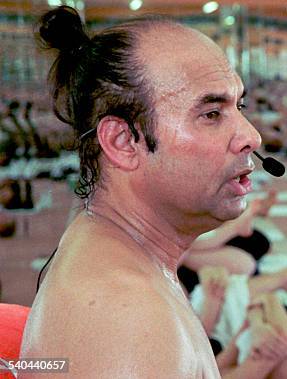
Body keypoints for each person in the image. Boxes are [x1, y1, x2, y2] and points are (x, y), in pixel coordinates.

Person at [20, 6, 272, 378]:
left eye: (239, 106)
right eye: (211, 114)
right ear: (123, 142)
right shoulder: (129, 321)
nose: (252, 136)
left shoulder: (121, 258)